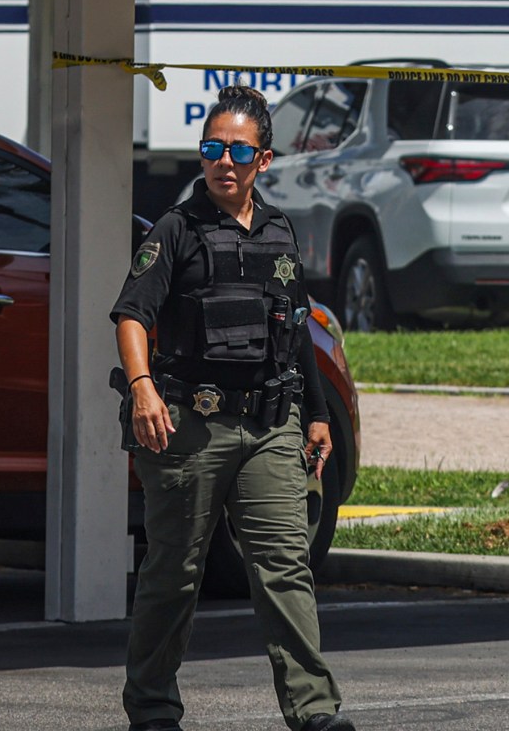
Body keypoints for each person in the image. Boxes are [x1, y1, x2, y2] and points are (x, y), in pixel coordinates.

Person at [112, 85, 354, 731]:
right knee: (174, 574)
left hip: (272, 428)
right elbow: (133, 313)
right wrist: (141, 386)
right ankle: (153, 709)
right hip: (191, 427)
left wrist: (321, 413)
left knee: (286, 569)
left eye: (238, 151)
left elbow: (296, 325)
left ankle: (314, 712)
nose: (223, 161)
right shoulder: (177, 231)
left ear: (263, 160)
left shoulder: (278, 230)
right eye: (212, 148)